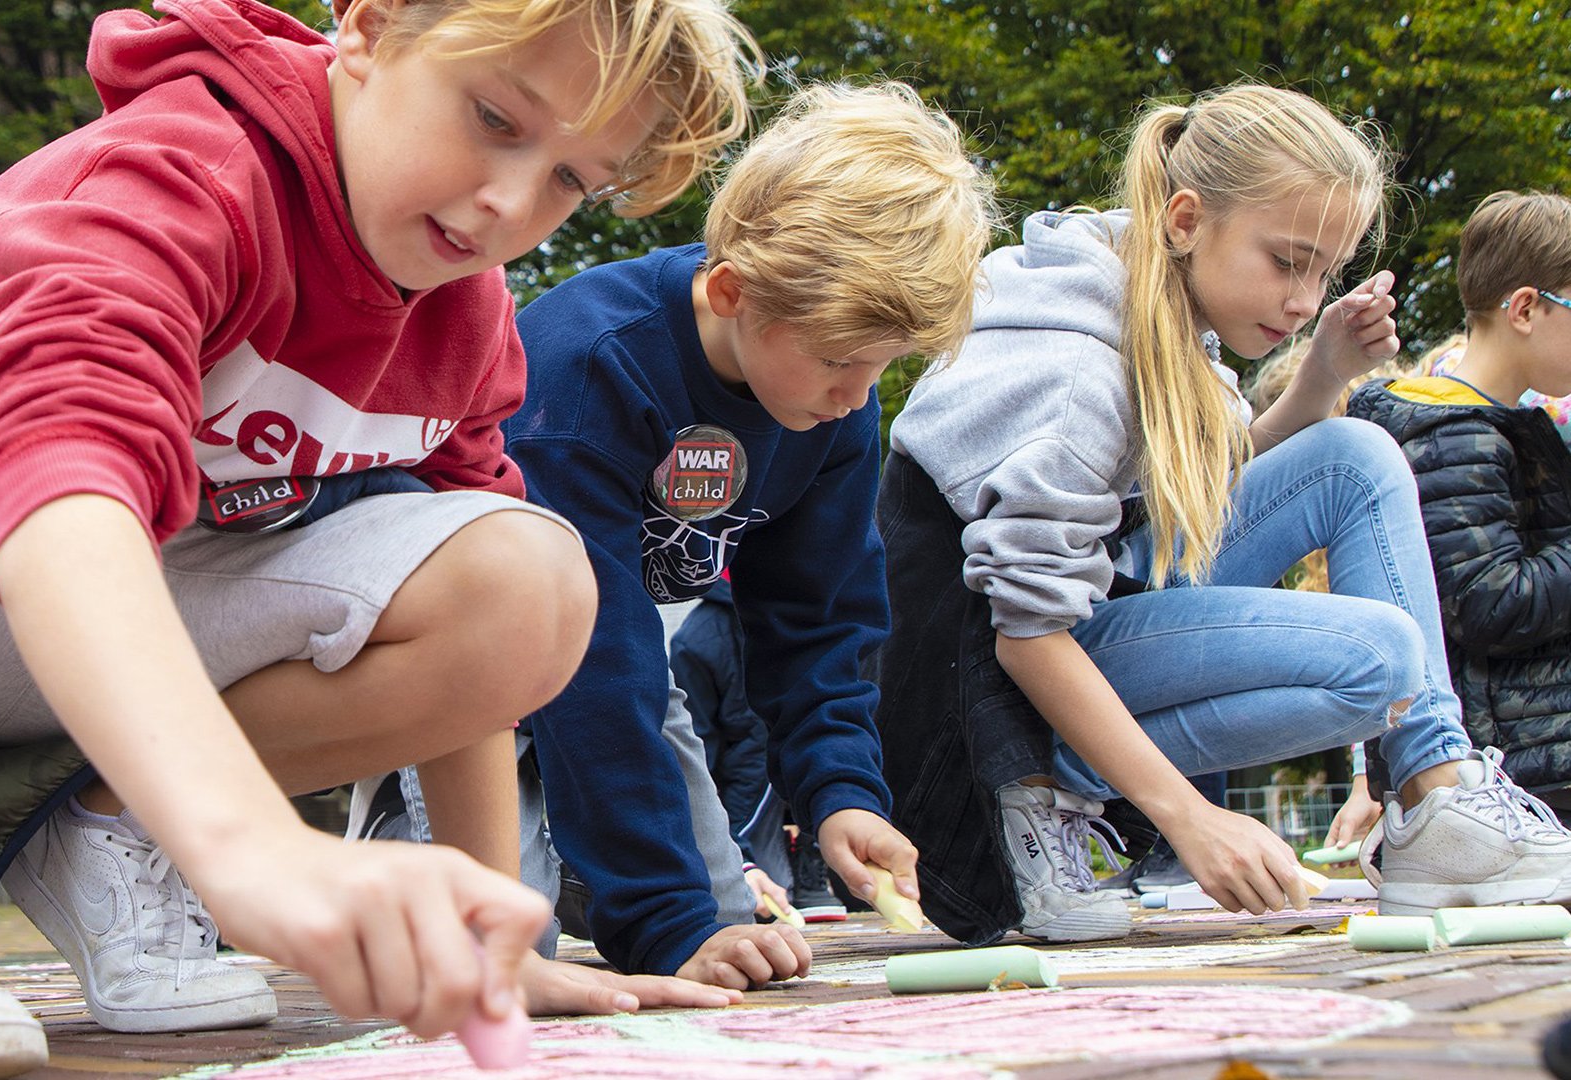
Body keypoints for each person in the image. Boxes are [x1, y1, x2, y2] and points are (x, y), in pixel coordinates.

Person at [0, 0, 755, 1075]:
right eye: (495, 116)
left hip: (127, 646)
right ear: (369, 26)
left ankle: (112, 825)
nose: (507, 201)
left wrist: (490, 938)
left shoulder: (466, 319)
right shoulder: (192, 165)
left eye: (570, 182)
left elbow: (484, 599)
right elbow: (64, 458)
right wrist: (245, 842)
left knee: (532, 573)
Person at [878, 82, 1571, 949]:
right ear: (1185, 219)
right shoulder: (1077, 375)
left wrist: (1322, 375)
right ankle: (1060, 794)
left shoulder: (1164, 315)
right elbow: (1024, 632)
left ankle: (1438, 799)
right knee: (1379, 658)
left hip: (1087, 619)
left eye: (1326, 272)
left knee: (1353, 456)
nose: (1304, 299)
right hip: (983, 700)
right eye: (1287, 262)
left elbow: (1206, 489)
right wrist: (1186, 817)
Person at [505, 81, 993, 988]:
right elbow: (593, 660)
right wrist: (661, 917)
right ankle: (553, 863)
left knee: (732, 940)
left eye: (882, 365)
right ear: (734, 291)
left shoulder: (827, 406)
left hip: (623, 671)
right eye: (843, 360)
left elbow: (821, 620)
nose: (858, 396)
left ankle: (591, 864)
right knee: (494, 961)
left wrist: (842, 792)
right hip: (479, 679)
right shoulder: (589, 369)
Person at [1346, 190, 1571, 811]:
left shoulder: (1493, 426)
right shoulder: (1452, 435)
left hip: (1521, 764)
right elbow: (1488, 603)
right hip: (1507, 775)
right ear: (1525, 308)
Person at [668, 578, 840, 921]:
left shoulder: (801, 617)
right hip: (744, 796)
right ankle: (770, 864)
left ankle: (813, 854)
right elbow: (698, 754)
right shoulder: (697, 640)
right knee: (756, 903)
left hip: (797, 776)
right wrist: (732, 851)